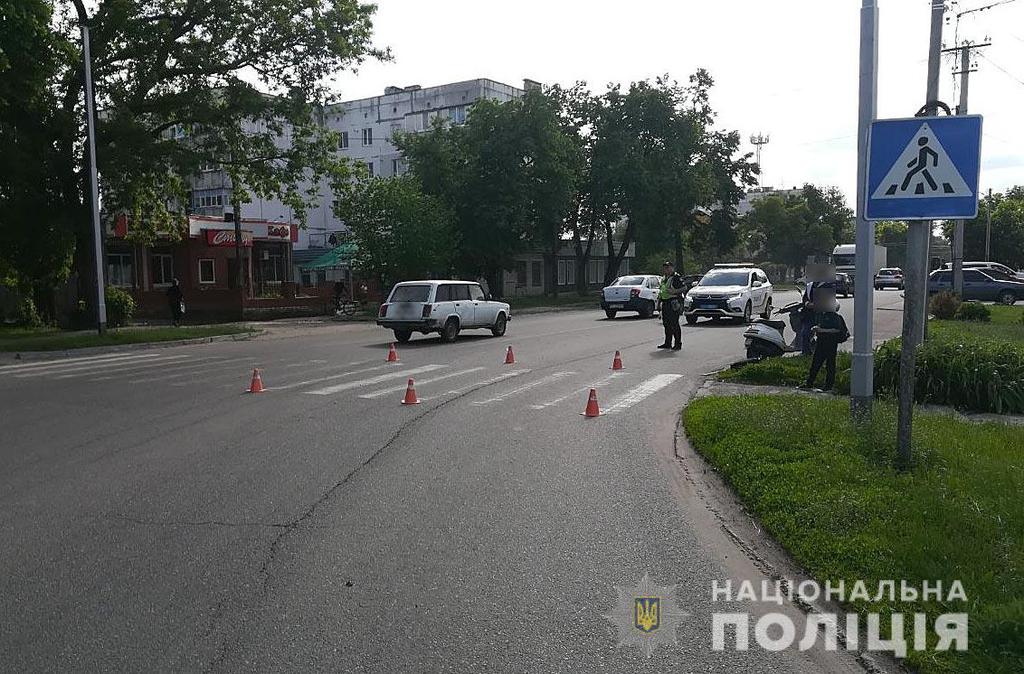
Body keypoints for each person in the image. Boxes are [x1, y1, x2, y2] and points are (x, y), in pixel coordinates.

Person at [802, 285, 849, 392]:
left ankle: (828, 386)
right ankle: (809, 383)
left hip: (831, 343)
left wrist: (822, 330)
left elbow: (837, 330)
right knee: (815, 363)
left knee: (830, 365)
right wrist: (816, 329)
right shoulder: (822, 315)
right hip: (821, 342)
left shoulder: (835, 317)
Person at [657, 261, 686, 351]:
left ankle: (678, 344)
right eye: (665, 268)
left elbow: (684, 288)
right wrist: (658, 303)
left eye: (668, 267)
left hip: (673, 302)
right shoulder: (664, 278)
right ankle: (667, 343)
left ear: (672, 268)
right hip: (665, 303)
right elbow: (662, 291)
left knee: (674, 324)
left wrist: (675, 292)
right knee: (666, 324)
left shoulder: (676, 277)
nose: (667, 269)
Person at [798, 279, 817, 355]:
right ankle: (806, 352)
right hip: (809, 314)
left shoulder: (827, 285)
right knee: (805, 333)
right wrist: (806, 303)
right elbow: (805, 298)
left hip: (823, 315)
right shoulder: (810, 285)